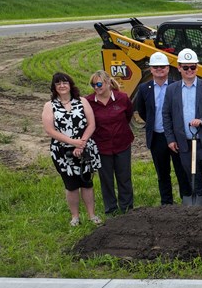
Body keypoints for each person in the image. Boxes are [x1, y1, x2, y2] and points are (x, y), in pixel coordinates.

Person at [162, 48, 202, 206]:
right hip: (185, 144)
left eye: (193, 67)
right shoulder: (171, 90)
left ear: (197, 67)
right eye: (186, 67)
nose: (190, 70)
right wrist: (170, 139)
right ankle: (201, 209)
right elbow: (166, 115)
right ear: (179, 68)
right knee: (194, 177)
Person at [41, 71, 101, 226]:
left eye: (65, 82)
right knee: (71, 184)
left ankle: (92, 215)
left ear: (70, 85)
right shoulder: (50, 106)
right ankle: (75, 216)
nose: (62, 86)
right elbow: (50, 130)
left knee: (86, 182)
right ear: (54, 87)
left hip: (84, 148)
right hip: (62, 152)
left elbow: (91, 124)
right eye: (58, 83)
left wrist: (81, 143)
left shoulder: (82, 101)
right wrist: (72, 142)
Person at [135, 52, 191, 205]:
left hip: (176, 136)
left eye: (162, 66)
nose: (159, 69)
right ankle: (167, 204)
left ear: (168, 68)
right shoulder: (144, 88)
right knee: (163, 173)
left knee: (182, 171)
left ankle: (187, 201)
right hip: (157, 137)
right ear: (151, 69)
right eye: (156, 67)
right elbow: (142, 110)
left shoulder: (177, 86)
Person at [85, 70, 134, 216]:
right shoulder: (88, 102)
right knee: (106, 179)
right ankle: (111, 209)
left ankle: (126, 208)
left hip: (122, 144)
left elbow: (128, 115)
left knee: (124, 176)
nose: (96, 87)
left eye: (99, 84)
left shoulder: (122, 98)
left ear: (107, 83)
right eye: (93, 85)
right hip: (102, 147)